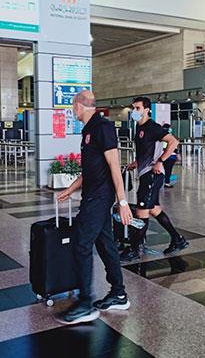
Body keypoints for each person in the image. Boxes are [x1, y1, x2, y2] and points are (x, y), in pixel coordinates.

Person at [57, 90, 132, 325]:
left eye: (73, 106)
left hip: (99, 197)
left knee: (81, 244)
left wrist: (122, 202)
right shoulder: (88, 130)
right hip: (92, 194)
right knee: (105, 244)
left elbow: (114, 165)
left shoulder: (102, 127)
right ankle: (119, 293)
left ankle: (85, 303)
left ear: (79, 106)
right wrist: (71, 188)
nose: (72, 111)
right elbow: (90, 169)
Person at [121, 97, 188, 263]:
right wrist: (136, 163)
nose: (134, 111)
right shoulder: (139, 127)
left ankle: (134, 250)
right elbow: (146, 151)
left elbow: (173, 141)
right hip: (145, 174)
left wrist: (160, 161)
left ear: (147, 110)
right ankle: (177, 239)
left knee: (141, 211)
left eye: (137, 108)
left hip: (152, 175)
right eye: (133, 108)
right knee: (154, 209)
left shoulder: (153, 127)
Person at [161, 123, 177, 188]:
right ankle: (166, 182)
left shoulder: (161, 136)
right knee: (168, 170)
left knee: (165, 170)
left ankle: (165, 182)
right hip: (169, 156)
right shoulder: (169, 137)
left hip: (166, 155)